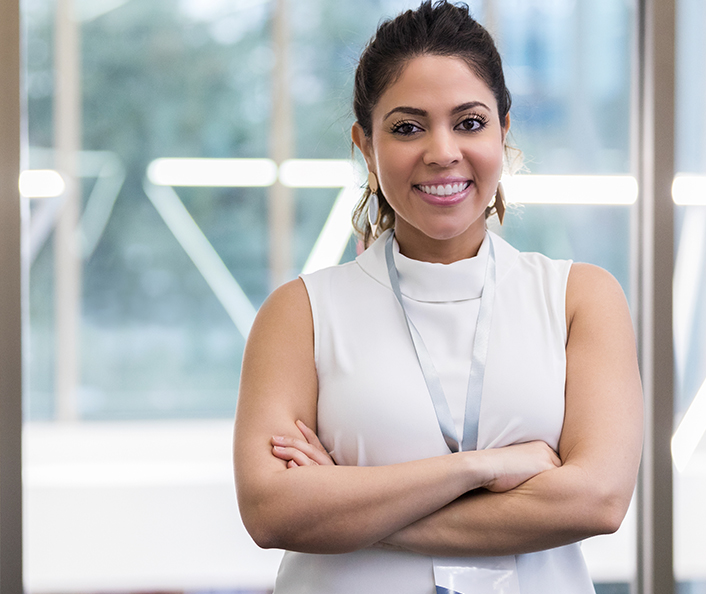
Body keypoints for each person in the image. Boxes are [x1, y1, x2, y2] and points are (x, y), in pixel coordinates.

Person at [232, 2, 643, 593]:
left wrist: (346, 505)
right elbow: (271, 511)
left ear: (503, 130)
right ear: (366, 147)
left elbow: (596, 500)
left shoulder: (580, 298)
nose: (442, 151)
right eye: (407, 127)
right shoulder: (301, 313)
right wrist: (484, 467)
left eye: (469, 122)